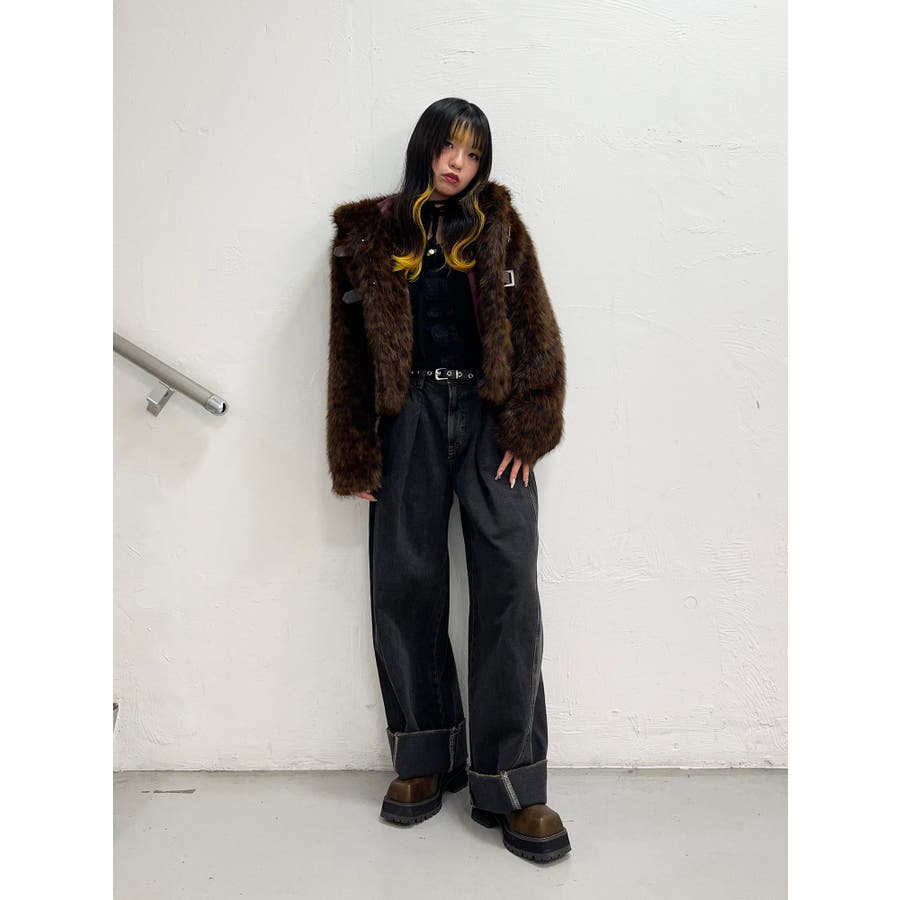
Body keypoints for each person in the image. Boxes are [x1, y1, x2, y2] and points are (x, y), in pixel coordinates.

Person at [326, 98, 570, 864]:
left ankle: (511, 780)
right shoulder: (368, 234)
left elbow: (536, 330)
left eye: (472, 152)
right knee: (406, 580)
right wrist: (355, 450)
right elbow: (348, 353)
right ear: (424, 148)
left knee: (509, 586)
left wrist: (529, 426)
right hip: (410, 420)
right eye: (448, 147)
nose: (458, 163)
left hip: (489, 419)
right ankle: (426, 754)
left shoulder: (499, 226)